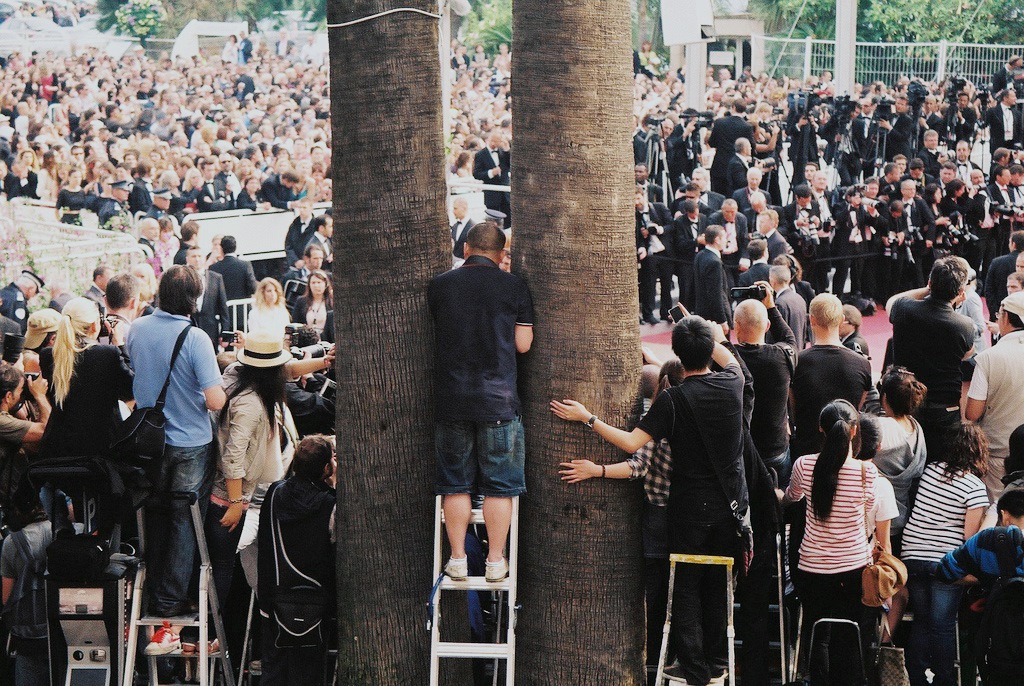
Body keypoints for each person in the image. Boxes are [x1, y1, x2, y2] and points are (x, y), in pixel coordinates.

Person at [551, 316, 748, 686]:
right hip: (729, 509)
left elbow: (630, 445)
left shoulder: (672, 400)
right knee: (718, 585)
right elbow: (725, 355)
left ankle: (693, 669)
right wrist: (697, 325)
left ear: (676, 353)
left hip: (688, 512)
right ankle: (719, 661)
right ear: (710, 349)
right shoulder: (733, 382)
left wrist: (587, 418)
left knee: (685, 588)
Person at [429, 221, 533, 585]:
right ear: (502, 253)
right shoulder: (514, 286)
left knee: (454, 483)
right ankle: (494, 560)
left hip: (451, 398)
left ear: (467, 248)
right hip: (498, 400)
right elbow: (523, 345)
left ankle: (457, 558)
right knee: (499, 484)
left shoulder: (440, 285)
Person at [126, 266, 227, 625]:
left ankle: (151, 589)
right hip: (190, 443)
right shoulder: (196, 338)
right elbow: (215, 401)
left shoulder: (136, 328)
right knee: (184, 520)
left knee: (154, 517)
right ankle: (171, 598)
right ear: (193, 298)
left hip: (149, 443)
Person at [783, 400, 879, 686]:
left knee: (817, 629)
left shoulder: (804, 464)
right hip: (852, 568)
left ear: (821, 430)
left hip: (811, 568)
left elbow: (792, 497)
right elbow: (869, 509)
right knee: (847, 632)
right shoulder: (867, 472)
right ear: (854, 432)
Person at [207, 332, 290, 638]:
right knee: (222, 570)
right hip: (227, 500)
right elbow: (233, 457)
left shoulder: (243, 386)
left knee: (222, 568)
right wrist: (236, 502)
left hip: (229, 497)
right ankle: (211, 634)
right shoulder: (252, 404)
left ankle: (208, 635)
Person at [901, 424, 989, 686]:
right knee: (942, 625)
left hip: (912, 555)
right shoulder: (974, 487)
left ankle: (916, 677)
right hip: (944, 562)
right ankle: (944, 680)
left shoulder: (929, 471)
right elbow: (968, 540)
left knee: (922, 620)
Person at [257, 435, 335, 686]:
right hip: (315, 604)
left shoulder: (275, 493)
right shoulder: (330, 504)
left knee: (274, 670)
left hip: (274, 598)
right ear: (326, 468)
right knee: (308, 672)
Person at [887, 256, 975, 464]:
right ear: (960, 292)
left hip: (904, 398)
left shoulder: (904, 308)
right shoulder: (964, 325)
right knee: (940, 463)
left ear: (929, 283)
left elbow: (893, 301)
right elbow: (967, 355)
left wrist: (929, 289)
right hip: (944, 405)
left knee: (902, 460)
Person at [37, 297, 132, 459]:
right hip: (101, 447)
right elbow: (130, 390)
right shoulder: (108, 354)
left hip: (59, 448)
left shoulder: (48, 356)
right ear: (95, 325)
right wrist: (119, 344)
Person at [790, 294, 873, 458]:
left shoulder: (797, 361)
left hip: (807, 448)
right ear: (842, 319)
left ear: (812, 320)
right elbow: (857, 407)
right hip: (847, 450)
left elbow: (793, 410)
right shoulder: (863, 364)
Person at [733, 288, 797, 486]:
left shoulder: (728, 360)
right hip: (775, 448)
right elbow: (789, 338)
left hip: (743, 450)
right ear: (767, 325)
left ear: (736, 327)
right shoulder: (783, 357)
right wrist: (771, 306)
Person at [966, 291, 1024, 499]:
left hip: (998, 453)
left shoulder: (989, 358)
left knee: (998, 514)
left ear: (1006, 317)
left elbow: (972, 412)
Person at [1, 494, 53, 686]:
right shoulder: (60, 534)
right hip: (59, 629)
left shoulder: (11, 543)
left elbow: (7, 597)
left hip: (27, 636)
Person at [186, 245, 230, 346]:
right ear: (187, 259)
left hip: (210, 331)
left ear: (205, 258)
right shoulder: (182, 279)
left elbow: (223, 308)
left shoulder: (216, 278)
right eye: (193, 256)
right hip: (189, 330)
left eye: (199, 256)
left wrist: (225, 334)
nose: (197, 259)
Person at [693, 225, 732, 333]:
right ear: (717, 240)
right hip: (714, 319)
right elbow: (715, 294)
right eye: (724, 237)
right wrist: (722, 320)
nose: (726, 240)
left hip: (702, 312)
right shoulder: (714, 262)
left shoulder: (700, 255)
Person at [209, 235, 258, 301]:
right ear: (235, 247)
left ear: (222, 248)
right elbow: (253, 288)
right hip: (242, 307)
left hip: (223, 308)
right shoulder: (245, 265)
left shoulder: (213, 268)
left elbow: (212, 292)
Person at [291, 270, 332, 336]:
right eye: (313, 283)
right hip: (307, 341)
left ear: (326, 284)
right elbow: (295, 322)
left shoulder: (332, 301)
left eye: (319, 282)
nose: (316, 285)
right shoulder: (301, 301)